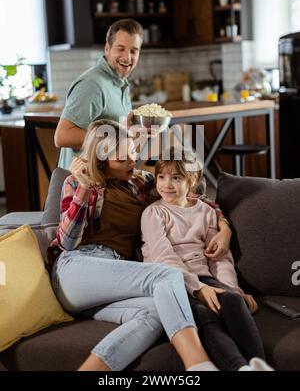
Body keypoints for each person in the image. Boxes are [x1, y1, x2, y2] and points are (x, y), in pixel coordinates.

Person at [48, 119, 232, 372]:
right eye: (122, 159)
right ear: (102, 160)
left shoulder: (140, 183)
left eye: (133, 154)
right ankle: (199, 365)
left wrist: (224, 227)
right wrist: (84, 189)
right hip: (77, 270)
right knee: (167, 275)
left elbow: (192, 195)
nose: (132, 163)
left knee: (158, 311)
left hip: (116, 278)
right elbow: (67, 242)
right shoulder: (78, 183)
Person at [141, 148, 273, 372]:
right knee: (203, 314)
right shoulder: (154, 213)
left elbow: (219, 258)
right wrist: (199, 288)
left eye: (176, 177)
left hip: (204, 277)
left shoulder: (205, 212)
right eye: (161, 177)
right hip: (171, 281)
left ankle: (259, 364)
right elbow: (164, 257)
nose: (166, 184)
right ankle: (240, 368)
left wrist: (233, 288)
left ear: (192, 180)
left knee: (231, 300)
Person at [55, 19, 143, 169]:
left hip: (104, 183)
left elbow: (115, 132)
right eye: (120, 49)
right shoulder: (92, 84)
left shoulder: (120, 82)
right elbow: (62, 136)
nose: (127, 57)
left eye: (133, 50)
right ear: (107, 49)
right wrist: (115, 136)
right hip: (80, 185)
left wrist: (128, 131)